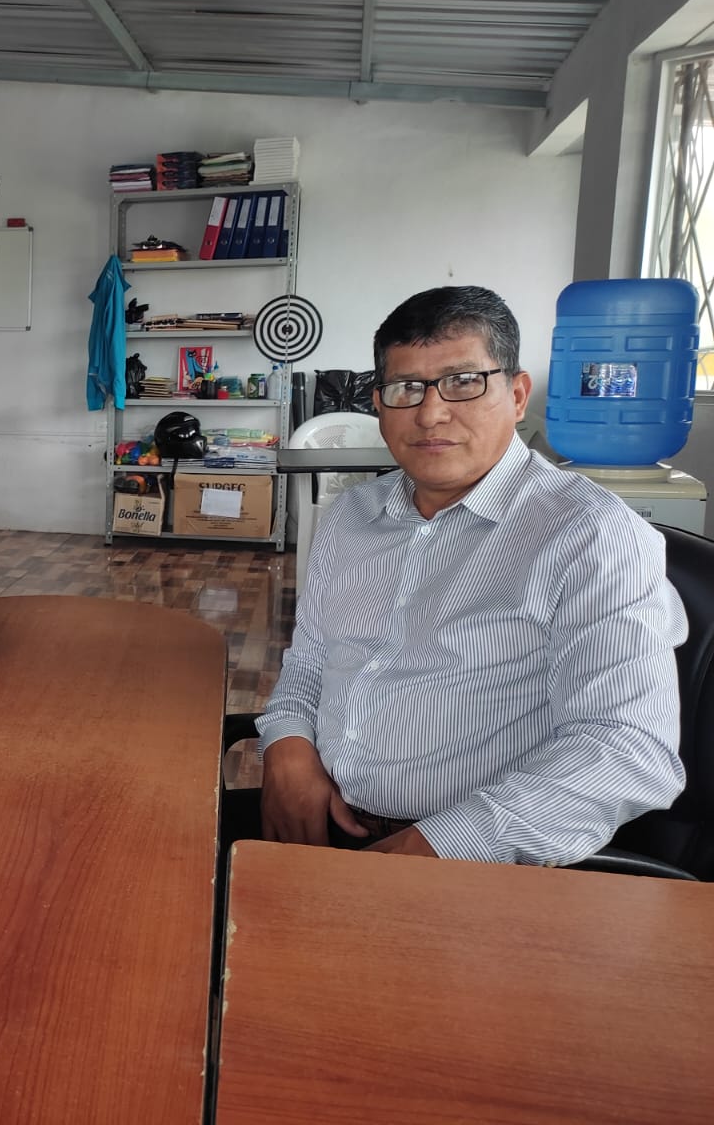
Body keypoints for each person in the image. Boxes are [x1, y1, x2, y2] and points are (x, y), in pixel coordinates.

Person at [238, 285, 686, 866]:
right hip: (322, 822)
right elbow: (311, 661)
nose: (430, 413)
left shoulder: (591, 536)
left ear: (517, 395)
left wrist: (437, 845)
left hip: (475, 862)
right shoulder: (352, 516)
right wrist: (288, 746)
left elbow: (627, 748)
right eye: (406, 388)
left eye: (464, 381)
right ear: (378, 405)